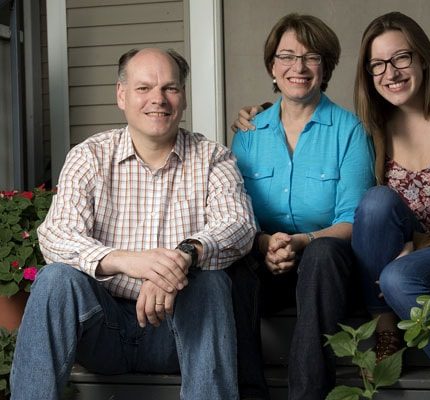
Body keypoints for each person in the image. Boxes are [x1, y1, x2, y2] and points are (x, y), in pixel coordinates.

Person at [233, 11, 430, 400]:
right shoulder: (377, 123)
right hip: (382, 260)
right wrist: (261, 112)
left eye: (401, 58)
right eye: (378, 64)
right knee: (377, 203)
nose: (391, 72)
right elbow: (240, 212)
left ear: (423, 59)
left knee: (386, 266)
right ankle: (381, 326)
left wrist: (417, 249)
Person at [10, 48, 256, 400]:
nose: (158, 99)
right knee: (55, 279)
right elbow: (56, 235)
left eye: (170, 88)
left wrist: (181, 258)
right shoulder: (90, 155)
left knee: (211, 284)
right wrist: (130, 261)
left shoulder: (212, 157)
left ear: (183, 97)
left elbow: (239, 224)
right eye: (144, 88)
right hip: (102, 331)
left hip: (176, 330)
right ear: (121, 95)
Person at [226, 13, 375, 400]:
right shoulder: (248, 134)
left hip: (327, 269)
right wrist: (264, 245)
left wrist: (302, 241)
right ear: (272, 67)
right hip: (266, 263)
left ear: (324, 68)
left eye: (311, 57)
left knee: (324, 253)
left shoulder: (348, 131)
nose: (299, 67)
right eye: (287, 56)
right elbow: (234, 215)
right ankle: (248, 392)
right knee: (231, 268)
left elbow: (352, 220)